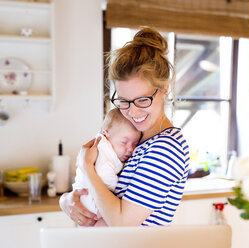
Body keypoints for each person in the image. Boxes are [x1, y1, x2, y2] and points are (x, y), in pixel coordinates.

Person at [59, 27, 190, 227]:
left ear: (164, 89)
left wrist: (87, 167)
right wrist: (67, 200)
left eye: (143, 100)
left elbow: (122, 224)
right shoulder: (135, 138)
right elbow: (105, 192)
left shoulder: (166, 148)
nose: (133, 112)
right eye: (124, 101)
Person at [72, 108, 141, 226]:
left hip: (87, 197)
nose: (130, 148)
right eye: (124, 142)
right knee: (103, 225)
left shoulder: (113, 149)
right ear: (105, 134)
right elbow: (104, 176)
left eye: (135, 143)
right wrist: (120, 185)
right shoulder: (103, 149)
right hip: (88, 198)